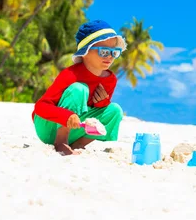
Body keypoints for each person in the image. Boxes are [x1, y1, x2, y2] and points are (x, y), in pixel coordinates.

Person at [32, 20, 127, 155]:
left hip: (75, 130)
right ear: (86, 52)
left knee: (115, 110)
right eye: (104, 52)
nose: (110, 57)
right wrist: (66, 115)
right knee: (79, 89)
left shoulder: (110, 80)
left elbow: (95, 112)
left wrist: (101, 103)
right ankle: (61, 142)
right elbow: (40, 107)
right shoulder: (71, 74)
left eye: (115, 52)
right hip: (48, 126)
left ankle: (78, 144)